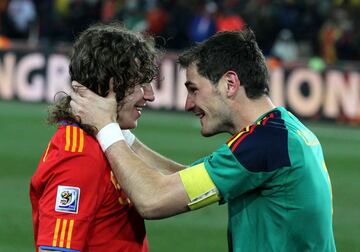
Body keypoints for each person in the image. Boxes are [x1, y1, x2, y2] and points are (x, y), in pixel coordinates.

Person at [70, 28, 336, 251]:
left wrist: (106, 127)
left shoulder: (265, 144)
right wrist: (124, 136)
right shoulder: (282, 130)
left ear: (230, 84)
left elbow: (152, 200)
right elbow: (187, 180)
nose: (188, 104)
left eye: (194, 90)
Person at [29, 22, 159, 252]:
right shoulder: (79, 158)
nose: (150, 95)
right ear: (107, 84)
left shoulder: (108, 142)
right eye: (140, 83)